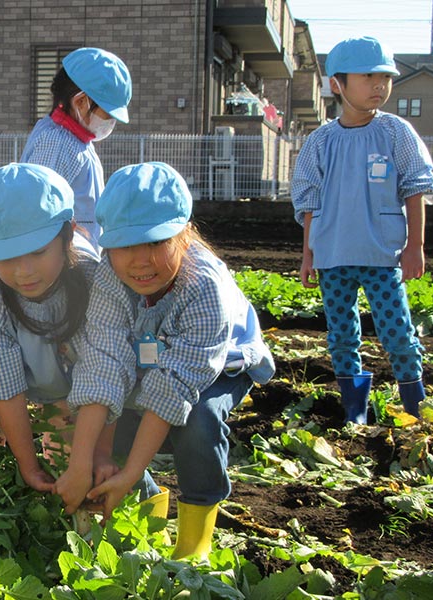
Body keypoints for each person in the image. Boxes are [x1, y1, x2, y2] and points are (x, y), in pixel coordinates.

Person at [58, 162, 274, 560]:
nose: (140, 261)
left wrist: (131, 468)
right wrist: (86, 461)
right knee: (116, 414)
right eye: (124, 246)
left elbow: (173, 387)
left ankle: (194, 542)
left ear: (184, 233)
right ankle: (145, 512)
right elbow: (103, 363)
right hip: (151, 354)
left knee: (197, 422)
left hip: (221, 365)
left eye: (157, 242)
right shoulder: (109, 278)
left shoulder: (205, 286)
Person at [291, 36, 433, 424]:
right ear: (337, 84)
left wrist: (415, 246)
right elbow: (309, 203)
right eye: (368, 76)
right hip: (333, 257)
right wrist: (308, 255)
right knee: (341, 337)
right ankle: (354, 412)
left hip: (381, 256)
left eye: (385, 77)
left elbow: (416, 187)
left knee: (398, 335)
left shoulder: (396, 132)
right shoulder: (320, 141)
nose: (379, 86)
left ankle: (416, 409)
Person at [0, 162, 101, 489]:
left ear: (68, 233)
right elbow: (4, 386)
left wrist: (86, 461)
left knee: (68, 415)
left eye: (38, 252)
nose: (23, 271)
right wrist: (27, 467)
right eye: (7, 257)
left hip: (67, 360)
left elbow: (98, 376)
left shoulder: (91, 277)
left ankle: (64, 493)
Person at [21, 47, 132, 250]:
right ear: (81, 101)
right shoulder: (57, 143)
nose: (111, 122)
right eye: (108, 114)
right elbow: (39, 215)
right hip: (65, 265)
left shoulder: (77, 140)